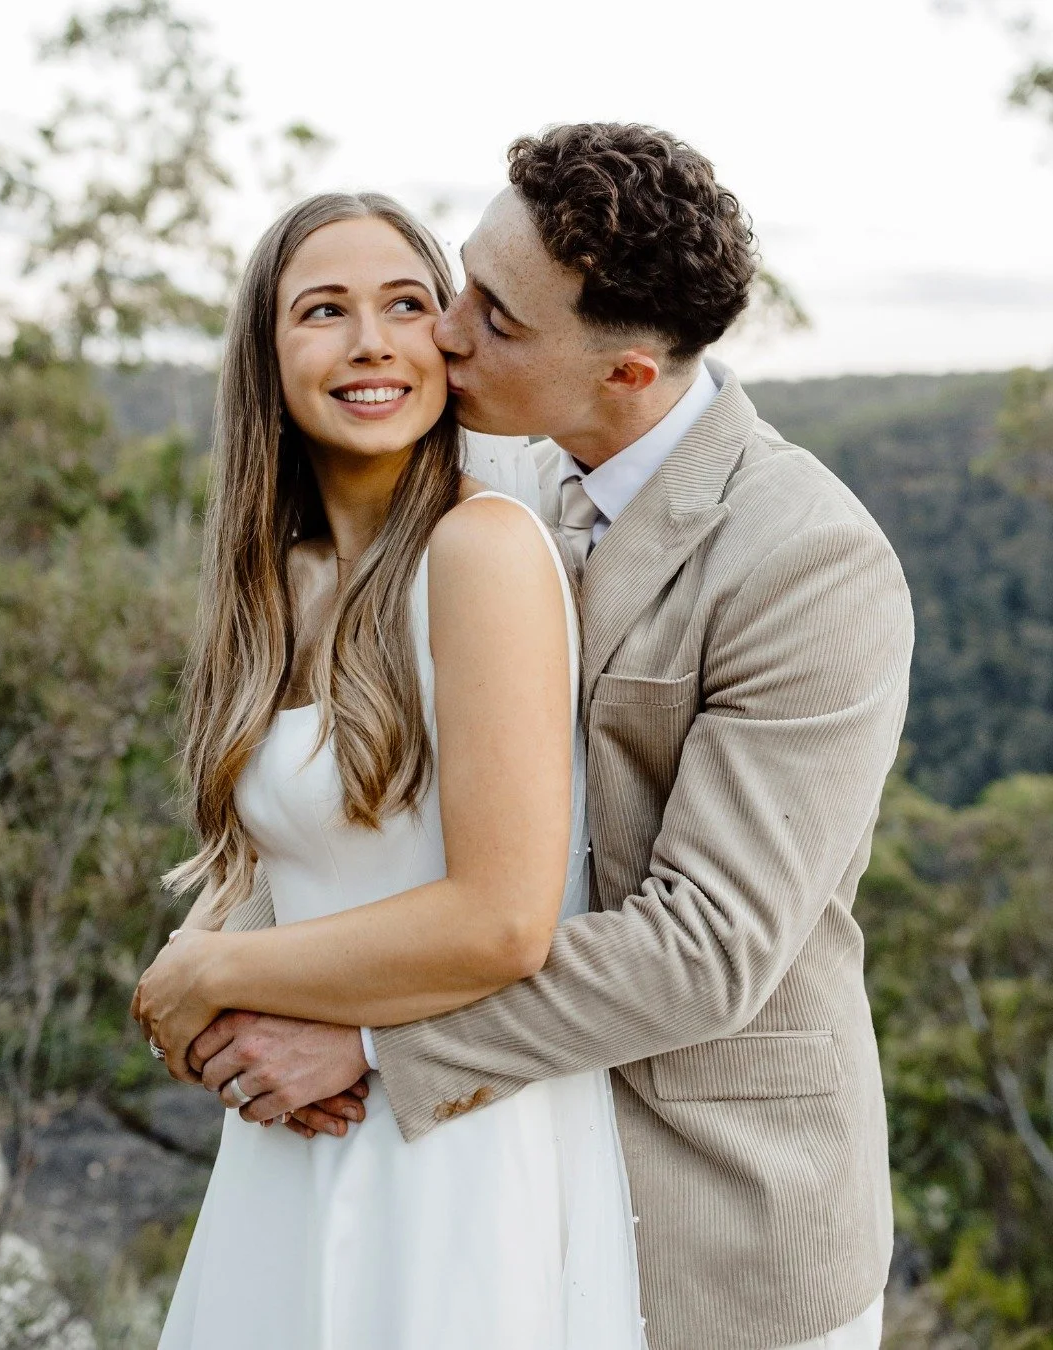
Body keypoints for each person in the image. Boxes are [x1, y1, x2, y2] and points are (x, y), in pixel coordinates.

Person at [138, 123, 914, 1350]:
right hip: (490, 1179)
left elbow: (702, 952)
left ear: (625, 376)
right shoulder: (487, 488)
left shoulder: (809, 561)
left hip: (721, 1221)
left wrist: (367, 1040)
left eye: (492, 320)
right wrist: (213, 955)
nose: (441, 333)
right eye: (459, 279)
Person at [133, 190, 644, 1349]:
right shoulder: (281, 579)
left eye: (406, 304)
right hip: (293, 1137)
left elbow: (503, 922)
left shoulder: (482, 551)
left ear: (448, 338)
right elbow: (298, 857)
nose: (371, 341)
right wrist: (224, 1017)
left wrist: (217, 967)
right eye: (324, 310)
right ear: (267, 358)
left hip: (451, 1151)